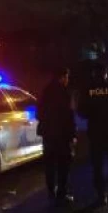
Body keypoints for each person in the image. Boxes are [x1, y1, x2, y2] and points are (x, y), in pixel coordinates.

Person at [77, 63, 108, 206]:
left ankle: (101, 195)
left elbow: (81, 112)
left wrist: (94, 114)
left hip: (95, 132)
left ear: (94, 74)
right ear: (105, 74)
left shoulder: (87, 90)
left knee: (97, 164)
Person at [37, 67, 77, 204]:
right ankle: (62, 193)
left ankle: (50, 193)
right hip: (62, 135)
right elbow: (69, 116)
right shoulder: (65, 93)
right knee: (63, 165)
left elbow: (38, 114)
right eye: (67, 77)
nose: (68, 80)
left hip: (48, 135)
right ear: (62, 77)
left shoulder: (45, 91)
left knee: (49, 165)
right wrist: (73, 135)